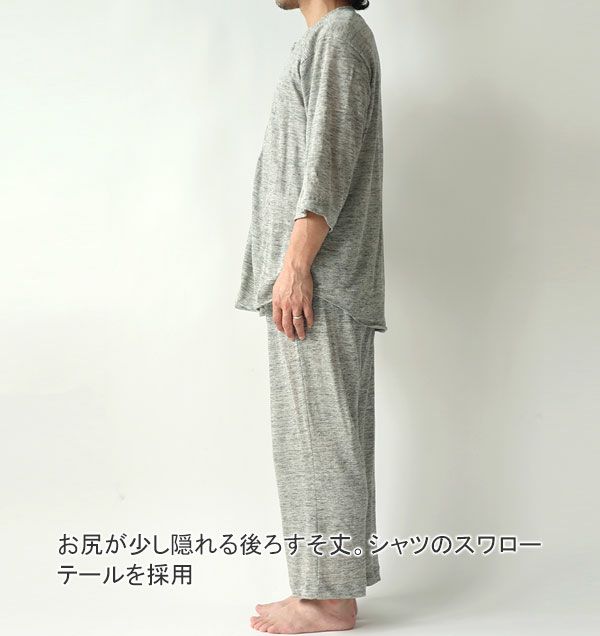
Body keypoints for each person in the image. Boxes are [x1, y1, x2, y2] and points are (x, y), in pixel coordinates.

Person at [234, 0, 386, 632]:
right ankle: (328, 587)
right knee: (318, 443)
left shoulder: (339, 34)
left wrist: (296, 266)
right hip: (311, 281)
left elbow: (330, 159)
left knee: (322, 444)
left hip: (316, 282)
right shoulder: (326, 39)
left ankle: (328, 599)